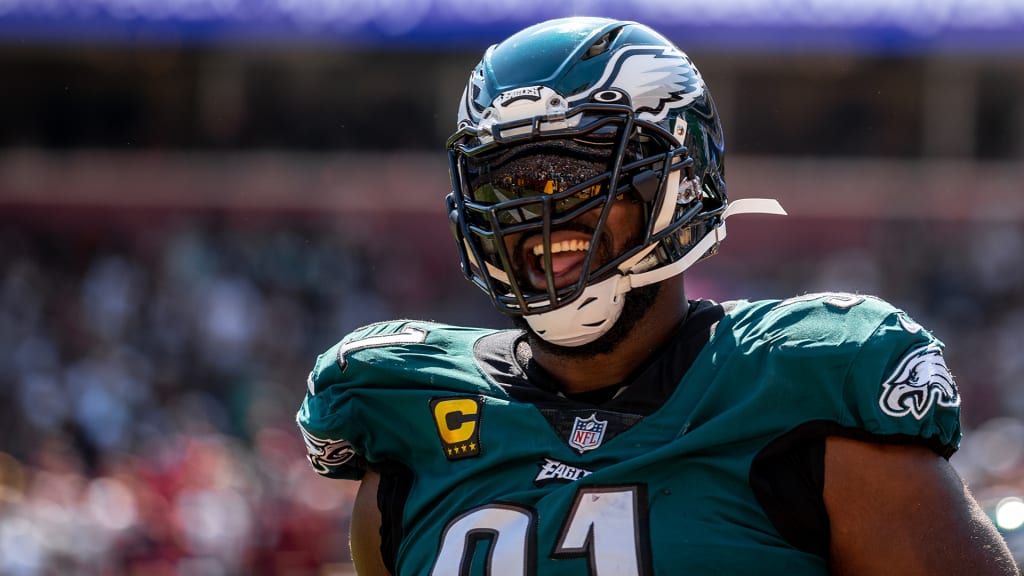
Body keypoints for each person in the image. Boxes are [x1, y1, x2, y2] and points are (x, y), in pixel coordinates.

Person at [296, 17, 1020, 575]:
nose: (540, 213)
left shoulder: (806, 395)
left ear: (677, 181)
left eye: (575, 170)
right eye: (509, 182)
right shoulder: (408, 421)